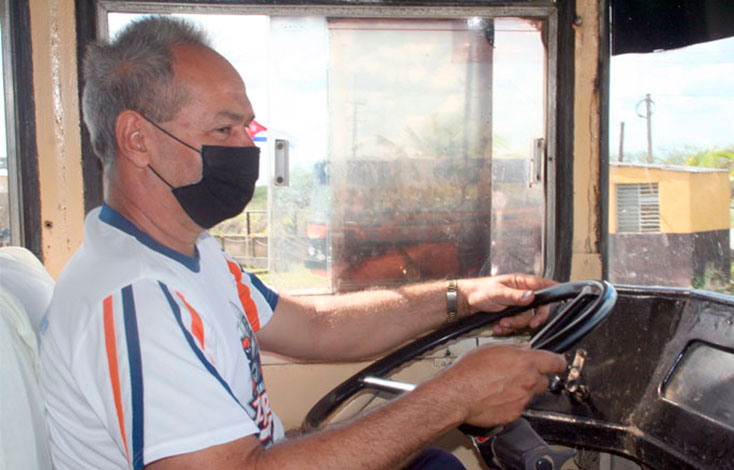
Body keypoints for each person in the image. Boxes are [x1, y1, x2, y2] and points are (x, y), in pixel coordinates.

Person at [39, 16, 567, 470]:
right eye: (225, 131)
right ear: (137, 138)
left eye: (248, 128)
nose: (248, 149)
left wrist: (462, 297)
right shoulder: (135, 298)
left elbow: (316, 329)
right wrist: (452, 397)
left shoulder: (192, 255)